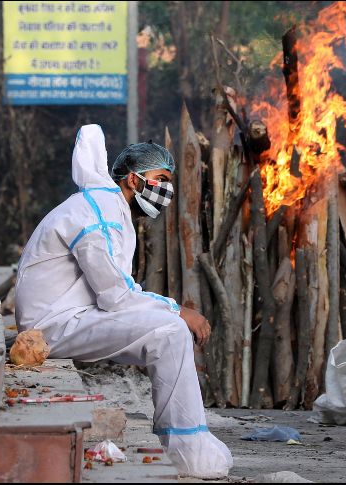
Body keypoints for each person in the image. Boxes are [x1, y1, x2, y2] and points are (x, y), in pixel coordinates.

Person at [15, 124, 232, 479]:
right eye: (160, 178)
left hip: (67, 319)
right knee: (171, 332)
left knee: (167, 332)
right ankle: (189, 453)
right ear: (133, 180)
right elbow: (115, 295)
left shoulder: (105, 206)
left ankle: (187, 447)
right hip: (51, 329)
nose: (167, 188)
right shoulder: (98, 211)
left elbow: (116, 291)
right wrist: (177, 309)